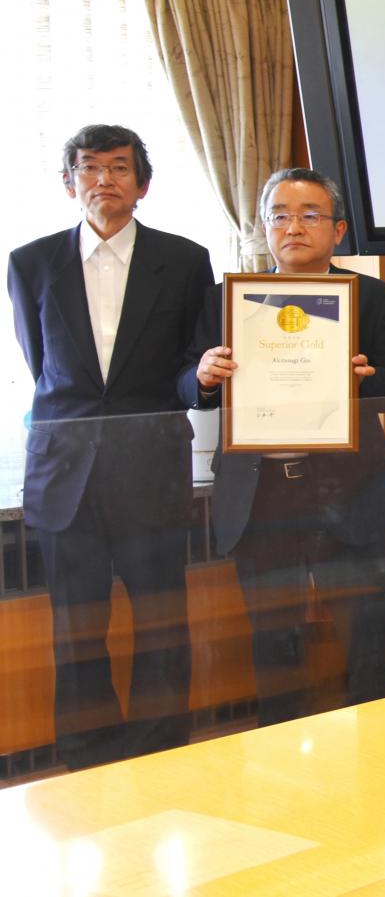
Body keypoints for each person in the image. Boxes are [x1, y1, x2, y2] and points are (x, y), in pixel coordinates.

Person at [7, 124, 211, 768]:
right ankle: (85, 756)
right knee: (75, 626)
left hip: (150, 466)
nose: (104, 179)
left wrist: (204, 384)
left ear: (142, 184)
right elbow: (45, 368)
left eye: (119, 167)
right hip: (65, 475)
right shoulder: (30, 262)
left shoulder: (184, 260)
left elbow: (188, 365)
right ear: (69, 183)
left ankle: (160, 751)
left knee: (161, 620)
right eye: (89, 168)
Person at [180, 168, 385, 725]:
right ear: (264, 227)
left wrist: (363, 380)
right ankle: (280, 760)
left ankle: (381, 751)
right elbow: (188, 385)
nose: (293, 227)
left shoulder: (374, 298)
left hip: (350, 489)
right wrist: (204, 377)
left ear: (338, 230)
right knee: (273, 642)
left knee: (368, 637)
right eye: (279, 216)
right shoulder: (227, 300)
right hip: (259, 496)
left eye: (309, 215)